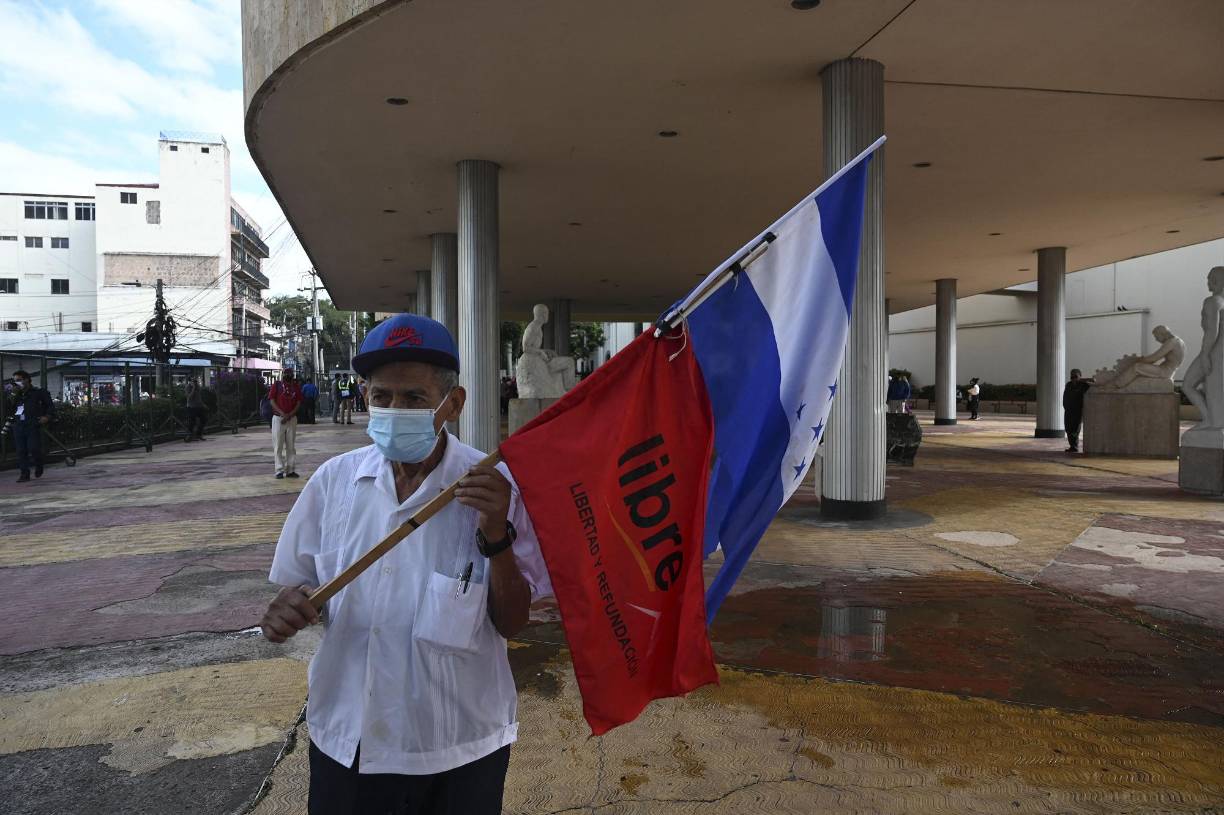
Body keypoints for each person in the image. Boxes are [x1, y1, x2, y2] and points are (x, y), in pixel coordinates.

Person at [259, 313, 551, 815]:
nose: (395, 410)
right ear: (365, 398)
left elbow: (514, 622)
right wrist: (282, 613)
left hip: (459, 748)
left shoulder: (494, 488)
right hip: (347, 746)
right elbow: (295, 594)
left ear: (452, 403)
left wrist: (496, 534)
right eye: (382, 397)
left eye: (414, 398)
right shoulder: (333, 484)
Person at [7, 370, 52, 483]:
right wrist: (13, 394)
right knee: (21, 451)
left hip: (32, 424)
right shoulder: (15, 394)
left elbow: (50, 406)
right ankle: (24, 474)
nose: (17, 383)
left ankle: (38, 463)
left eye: (19, 380)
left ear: (26, 379)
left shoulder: (38, 392)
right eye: (15, 381)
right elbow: (8, 408)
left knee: (33, 448)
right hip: (19, 424)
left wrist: (47, 416)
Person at [269, 368, 303, 479]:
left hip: (291, 419)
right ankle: (279, 470)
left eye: (289, 374)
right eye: (286, 373)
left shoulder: (296, 387)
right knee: (278, 445)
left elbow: (298, 402)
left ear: (292, 375)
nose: (288, 375)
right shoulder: (277, 385)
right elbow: (272, 400)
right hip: (278, 418)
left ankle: (290, 470)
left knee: (291, 446)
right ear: (283, 374)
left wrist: (289, 415)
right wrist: (282, 414)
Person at [1063, 368, 1092, 453]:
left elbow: (1094, 381)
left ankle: (1075, 446)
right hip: (1068, 411)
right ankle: (1072, 446)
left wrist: (1081, 380)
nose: (1073, 379)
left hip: (1078, 411)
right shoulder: (1068, 385)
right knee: (1068, 428)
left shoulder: (1083, 385)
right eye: (1072, 377)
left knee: (1075, 429)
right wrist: (1066, 407)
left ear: (1080, 376)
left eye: (1075, 376)